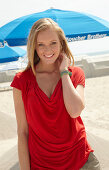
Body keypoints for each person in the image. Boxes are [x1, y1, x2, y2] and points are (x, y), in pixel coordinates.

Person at [11, 18, 100, 170]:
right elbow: (22, 132)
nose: (48, 50)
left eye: (53, 43)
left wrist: (64, 72)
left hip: (82, 162)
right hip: (42, 165)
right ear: (34, 46)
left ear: (61, 44)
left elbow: (75, 111)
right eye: (41, 44)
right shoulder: (22, 81)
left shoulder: (75, 74)